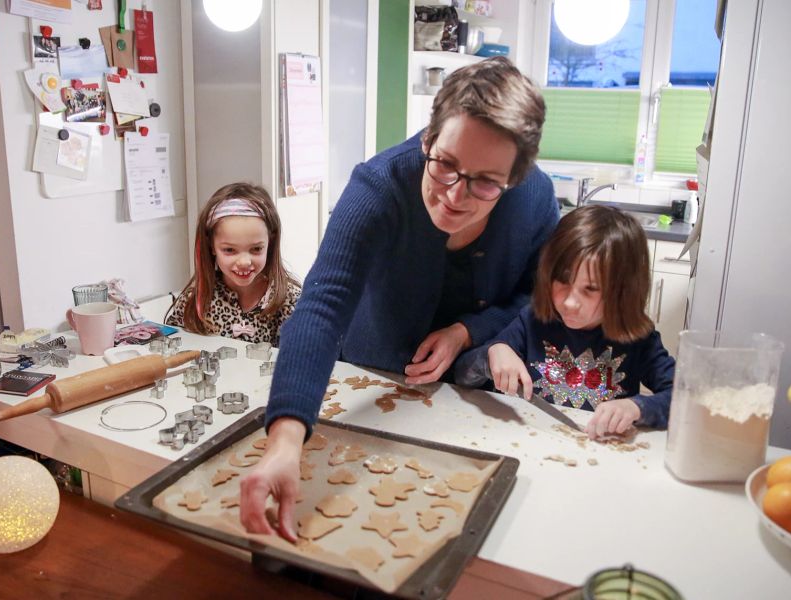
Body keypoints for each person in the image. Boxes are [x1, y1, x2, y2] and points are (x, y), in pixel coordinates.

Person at [240, 57, 558, 539]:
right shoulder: (379, 186)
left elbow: (538, 299)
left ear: (515, 176)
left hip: (473, 403)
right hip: (371, 381)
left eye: (486, 182)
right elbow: (322, 308)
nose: (455, 194)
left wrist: (467, 331)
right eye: (445, 164)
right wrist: (285, 439)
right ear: (429, 137)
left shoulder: (535, 198)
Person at [454, 205, 676, 440]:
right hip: (533, 446)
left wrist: (638, 407)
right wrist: (492, 354)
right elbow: (462, 375)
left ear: (623, 292)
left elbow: (685, 399)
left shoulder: (638, 339)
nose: (570, 302)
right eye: (562, 280)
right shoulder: (532, 321)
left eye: (590, 289)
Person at [165, 182, 301, 346]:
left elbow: (301, 361)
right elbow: (174, 347)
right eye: (229, 250)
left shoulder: (289, 301)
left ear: (270, 242)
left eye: (256, 249)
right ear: (212, 246)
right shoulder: (196, 298)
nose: (244, 262)